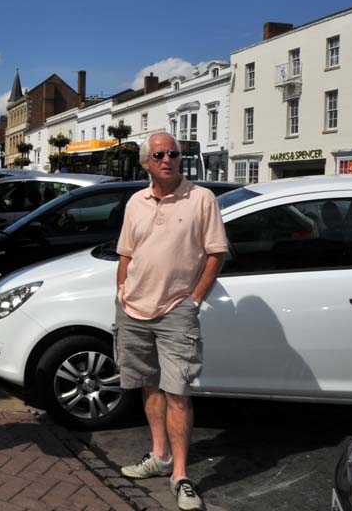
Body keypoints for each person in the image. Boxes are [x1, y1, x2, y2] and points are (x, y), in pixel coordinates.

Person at [115, 132, 227, 511]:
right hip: (133, 309)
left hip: (176, 309)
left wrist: (194, 300)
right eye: (159, 155)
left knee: (178, 392)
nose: (168, 160)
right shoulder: (135, 202)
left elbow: (216, 254)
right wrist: (121, 289)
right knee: (148, 384)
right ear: (146, 162)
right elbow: (126, 253)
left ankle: (181, 475)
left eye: (174, 154)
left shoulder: (201, 199)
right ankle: (159, 456)